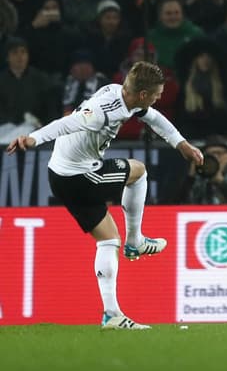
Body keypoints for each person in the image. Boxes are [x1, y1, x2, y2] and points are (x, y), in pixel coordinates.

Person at [5, 61, 204, 330]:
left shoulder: (118, 91)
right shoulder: (101, 112)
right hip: (79, 176)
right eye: (156, 95)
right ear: (143, 94)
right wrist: (33, 139)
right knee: (139, 172)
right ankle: (136, 241)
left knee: (109, 240)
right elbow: (68, 123)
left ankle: (112, 315)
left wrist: (181, 143)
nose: (158, 99)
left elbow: (154, 118)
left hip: (60, 175)